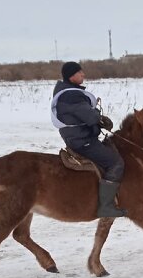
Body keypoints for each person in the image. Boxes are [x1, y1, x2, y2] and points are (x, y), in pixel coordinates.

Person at [51, 61, 127, 217]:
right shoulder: (71, 95)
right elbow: (90, 116)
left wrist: (98, 120)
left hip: (78, 137)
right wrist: (100, 119)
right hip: (82, 140)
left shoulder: (66, 91)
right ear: (71, 76)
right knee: (116, 162)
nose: (83, 74)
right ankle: (106, 206)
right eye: (80, 72)